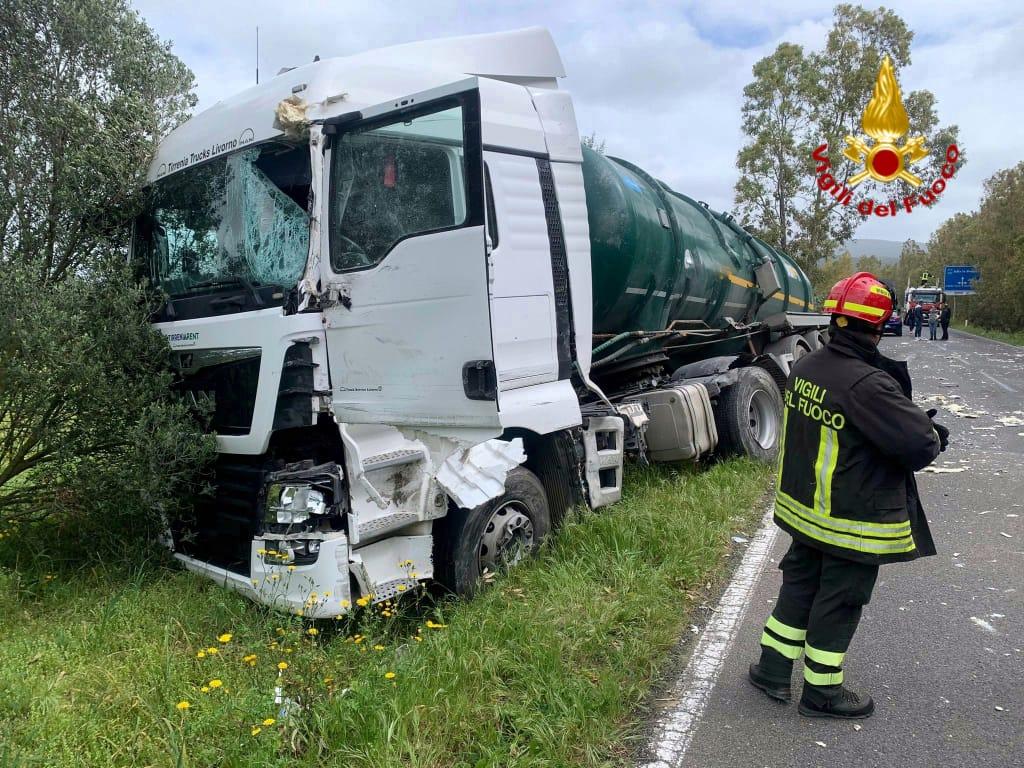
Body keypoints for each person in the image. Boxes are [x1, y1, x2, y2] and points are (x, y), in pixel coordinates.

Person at [748, 272, 948, 719]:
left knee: (799, 586)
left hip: (805, 512)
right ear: (878, 324)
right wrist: (934, 433)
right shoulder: (867, 384)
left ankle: (772, 670)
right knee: (840, 600)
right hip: (849, 519)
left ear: (834, 318)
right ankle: (822, 692)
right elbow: (918, 445)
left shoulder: (807, 367)